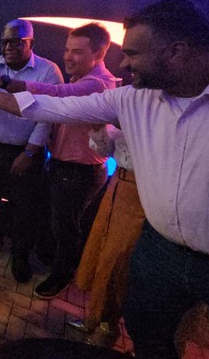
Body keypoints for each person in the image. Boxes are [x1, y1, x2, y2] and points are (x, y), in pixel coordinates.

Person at [0, 0, 209, 358]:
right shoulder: (133, 98)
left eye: (132, 54)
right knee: (149, 340)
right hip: (159, 251)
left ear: (176, 52)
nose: (123, 64)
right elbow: (50, 105)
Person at [0, 22, 117, 298]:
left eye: (77, 52)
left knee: (40, 216)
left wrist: (29, 151)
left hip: (70, 167)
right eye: (67, 50)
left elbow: (48, 104)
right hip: (31, 156)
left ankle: (35, 264)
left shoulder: (93, 83)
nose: (68, 57)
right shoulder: (79, 78)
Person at [0, 19, 63, 282]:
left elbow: (47, 117)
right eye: (5, 41)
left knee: (25, 207)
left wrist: (29, 153)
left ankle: (20, 255)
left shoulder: (48, 71)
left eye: (16, 42)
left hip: (26, 150)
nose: (8, 47)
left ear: (31, 42)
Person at [70, 126, 145, 347]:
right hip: (117, 183)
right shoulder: (128, 109)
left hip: (140, 192)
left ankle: (108, 327)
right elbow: (105, 150)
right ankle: (94, 318)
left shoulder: (163, 120)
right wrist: (98, 126)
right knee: (99, 251)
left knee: (117, 261)